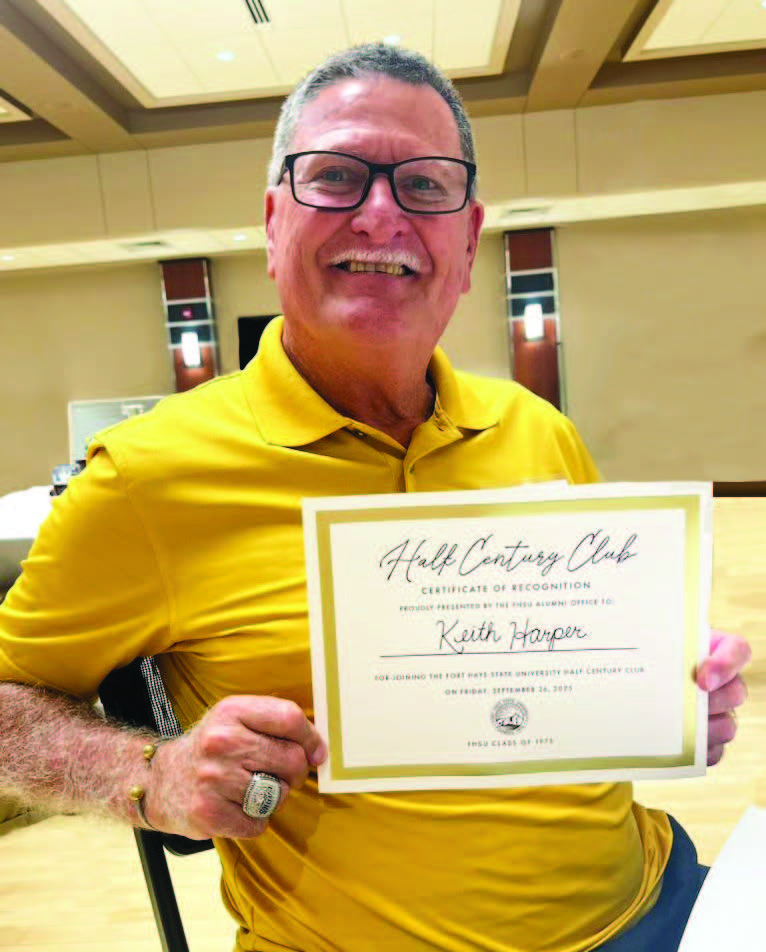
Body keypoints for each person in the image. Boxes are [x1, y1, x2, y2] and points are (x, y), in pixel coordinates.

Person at [0, 43, 751, 952]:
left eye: (426, 186)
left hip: (656, 908)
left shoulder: (535, 427)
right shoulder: (148, 476)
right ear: (274, 223)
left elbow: (574, 669)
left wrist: (667, 698)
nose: (382, 214)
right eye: (337, 176)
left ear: (468, 243)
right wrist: (149, 772)